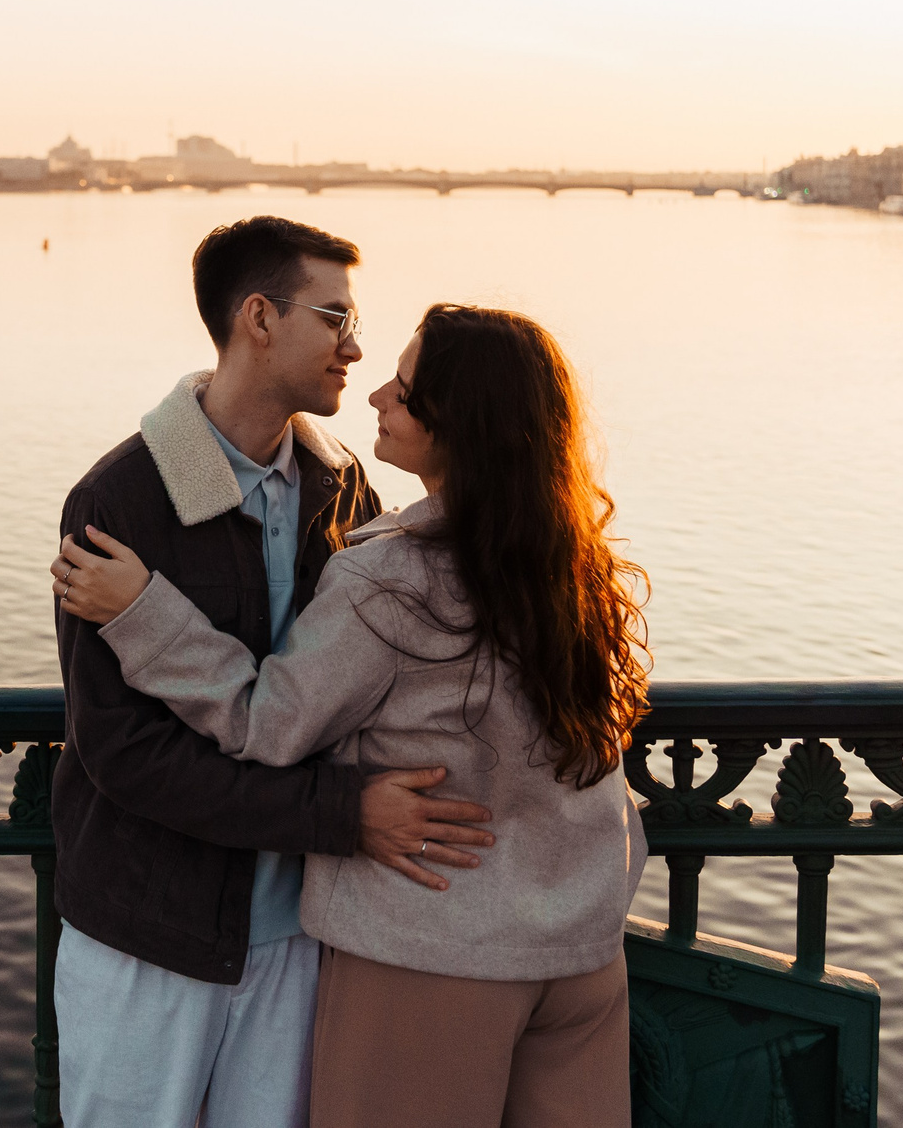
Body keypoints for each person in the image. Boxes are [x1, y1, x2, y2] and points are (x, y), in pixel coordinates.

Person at [54, 302, 652, 1128]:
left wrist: (145, 612)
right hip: (582, 959)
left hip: (437, 949)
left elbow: (267, 722)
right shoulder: (579, 567)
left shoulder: (393, 575)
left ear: (459, 424)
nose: (373, 388)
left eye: (404, 391)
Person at [49, 219, 500, 1128]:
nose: (356, 345)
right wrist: (340, 814)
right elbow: (123, 752)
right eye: (334, 316)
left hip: (302, 938)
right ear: (259, 316)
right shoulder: (120, 501)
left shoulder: (344, 489)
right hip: (150, 942)